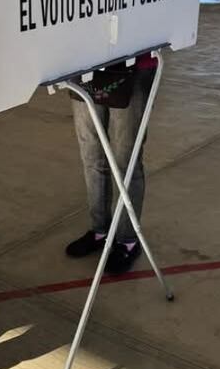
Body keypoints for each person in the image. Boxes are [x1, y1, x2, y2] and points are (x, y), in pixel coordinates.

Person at [65, 55, 157, 273]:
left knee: (127, 159)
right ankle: (100, 231)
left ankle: (127, 240)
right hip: (86, 64)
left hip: (134, 66)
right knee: (92, 155)